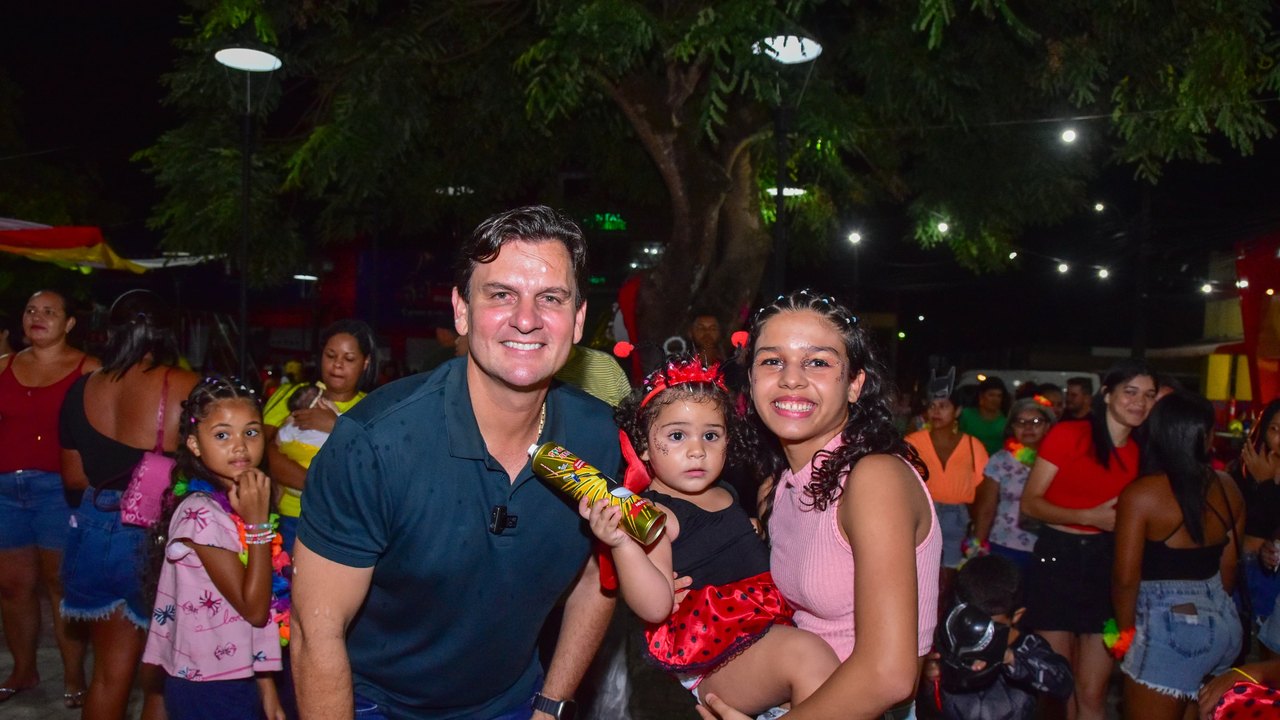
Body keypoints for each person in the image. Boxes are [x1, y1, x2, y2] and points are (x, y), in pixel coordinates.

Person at [290, 205, 622, 720]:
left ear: (577, 320)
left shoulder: (596, 436)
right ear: (462, 311)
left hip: (513, 702)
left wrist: (551, 705)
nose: (527, 319)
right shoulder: (375, 444)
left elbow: (596, 580)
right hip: (376, 705)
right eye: (501, 295)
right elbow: (317, 631)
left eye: (551, 298)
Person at [697, 289, 942, 720]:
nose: (791, 379)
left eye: (818, 362)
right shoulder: (777, 486)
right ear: (750, 380)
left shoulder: (875, 478)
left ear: (855, 384)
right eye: (772, 361)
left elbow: (890, 676)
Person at [582, 355, 838, 714]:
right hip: (715, 654)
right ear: (643, 446)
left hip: (761, 632)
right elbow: (654, 606)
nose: (697, 450)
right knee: (808, 657)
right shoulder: (656, 513)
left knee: (822, 673)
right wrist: (623, 544)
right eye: (677, 435)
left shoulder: (726, 492)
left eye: (711, 435)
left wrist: (749, 531)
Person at [59, 289, 199, 719]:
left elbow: (74, 478)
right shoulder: (187, 386)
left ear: (111, 332)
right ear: (167, 333)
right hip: (157, 537)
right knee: (159, 679)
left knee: (108, 674)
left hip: (95, 528)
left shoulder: (82, 388)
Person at [142, 377, 287, 720]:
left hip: (239, 672)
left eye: (251, 432)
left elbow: (261, 609)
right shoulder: (202, 515)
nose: (240, 446)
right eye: (222, 435)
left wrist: (266, 688)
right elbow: (255, 609)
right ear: (194, 444)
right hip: (209, 683)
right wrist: (258, 526)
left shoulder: (238, 501)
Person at [1019, 360, 1157, 720]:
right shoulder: (1069, 434)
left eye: (1148, 395)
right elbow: (1030, 504)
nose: (1139, 402)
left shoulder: (1145, 452)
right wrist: (1090, 517)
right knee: (1058, 684)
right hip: (1056, 559)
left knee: (1093, 690)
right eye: (1130, 392)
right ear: (1107, 394)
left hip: (1107, 565)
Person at [1111, 390, 1244, 719]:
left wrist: (1123, 635)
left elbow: (1126, 578)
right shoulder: (1228, 486)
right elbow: (1229, 567)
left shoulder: (1142, 495)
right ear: (1205, 436)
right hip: (1223, 624)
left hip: (1169, 629)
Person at [0, 290, 99, 707]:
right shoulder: (4, 365)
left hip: (60, 490)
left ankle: (75, 676)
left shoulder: (88, 369)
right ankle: (23, 670)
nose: (37, 317)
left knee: (61, 585)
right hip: (6, 489)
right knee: (12, 586)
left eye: (49, 312)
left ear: (69, 323)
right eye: (30, 310)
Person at [262, 319, 378, 551]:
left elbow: (375, 466)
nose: (337, 365)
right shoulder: (291, 396)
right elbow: (260, 450)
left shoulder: (374, 407)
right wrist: (316, 484)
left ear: (365, 362)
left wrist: (336, 427)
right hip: (286, 516)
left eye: (349, 359)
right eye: (330, 355)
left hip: (342, 522)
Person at [936, 555, 1073, 720]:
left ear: (1016, 616)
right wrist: (932, 679)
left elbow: (1063, 683)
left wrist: (1011, 658)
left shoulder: (1027, 646)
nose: (981, 634)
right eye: (973, 623)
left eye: (991, 626)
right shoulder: (951, 640)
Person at [905, 371, 993, 595]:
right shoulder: (912, 442)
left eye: (943, 406)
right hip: (923, 513)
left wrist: (979, 535)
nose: (936, 411)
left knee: (948, 578)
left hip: (958, 517)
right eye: (932, 406)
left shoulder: (973, 445)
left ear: (958, 411)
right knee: (919, 575)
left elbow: (985, 493)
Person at [981, 397, 1055, 572]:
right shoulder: (1000, 460)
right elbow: (987, 508)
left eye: (1035, 422)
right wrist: (977, 545)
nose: (1028, 427)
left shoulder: (1057, 461)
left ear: (1047, 426)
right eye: (1021, 422)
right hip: (1005, 543)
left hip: (1048, 545)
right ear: (1012, 427)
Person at [1232, 398, 1280, 655]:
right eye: (1275, 429)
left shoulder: (1261, 476)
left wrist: (1267, 485)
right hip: (1241, 573)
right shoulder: (1242, 470)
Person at [959, 377, 1009, 455]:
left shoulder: (1006, 419)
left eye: (999, 396)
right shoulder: (966, 415)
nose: (995, 399)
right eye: (991, 395)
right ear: (981, 396)